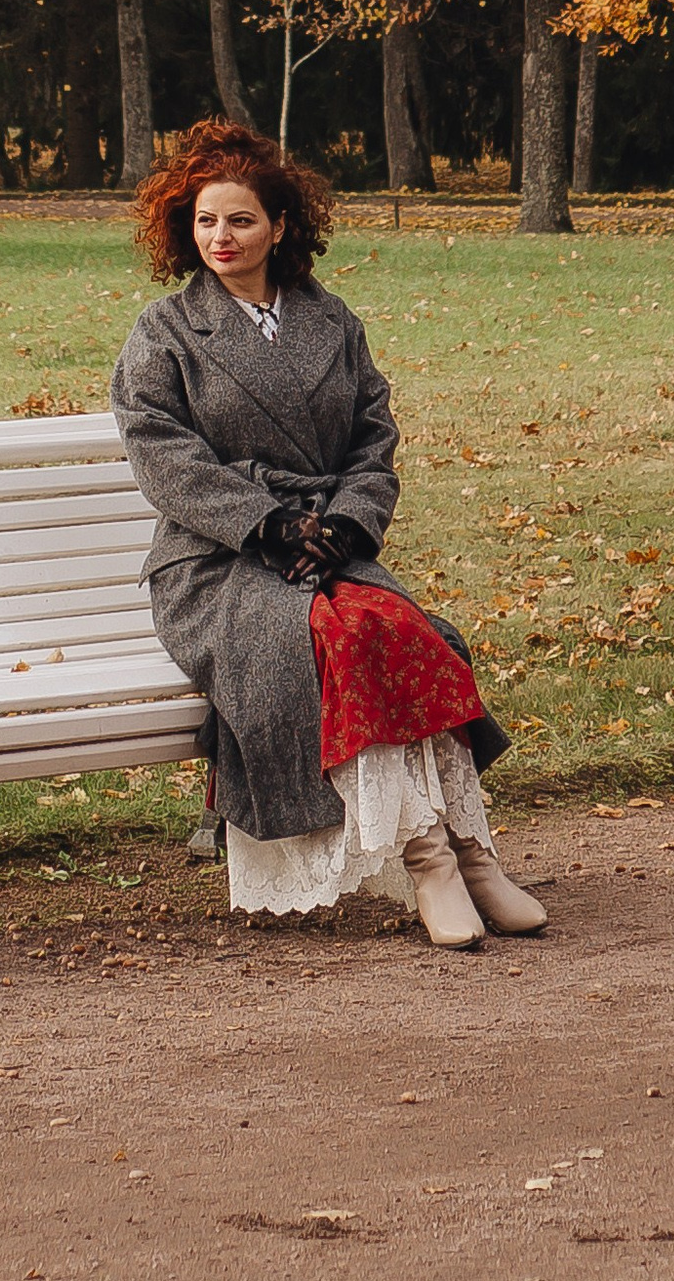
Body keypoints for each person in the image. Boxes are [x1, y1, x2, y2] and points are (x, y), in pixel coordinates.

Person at [110, 118, 546, 948]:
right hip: (217, 563)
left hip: (329, 548)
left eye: (239, 220)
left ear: (279, 226)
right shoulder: (165, 332)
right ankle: (430, 863)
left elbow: (373, 440)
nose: (221, 237)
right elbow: (161, 456)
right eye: (205, 220)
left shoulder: (330, 320)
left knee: (400, 628)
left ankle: (474, 851)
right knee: (338, 639)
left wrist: (344, 523)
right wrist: (267, 525)